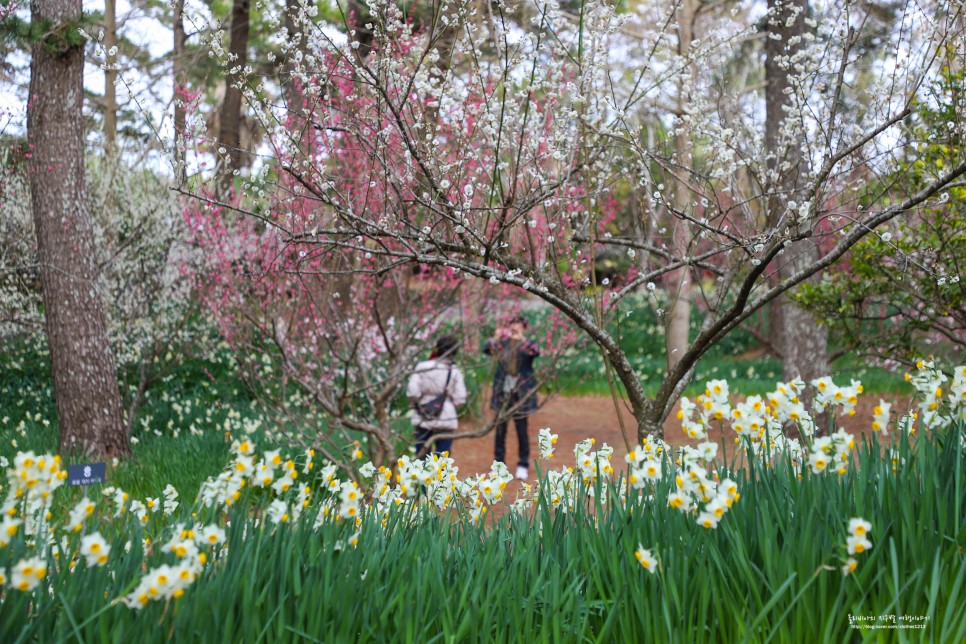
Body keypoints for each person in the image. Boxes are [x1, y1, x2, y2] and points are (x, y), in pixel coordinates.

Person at [484, 314, 540, 480]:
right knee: (500, 430)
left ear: (524, 327)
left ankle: (523, 464)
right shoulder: (502, 344)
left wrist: (521, 339)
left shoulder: (527, 344)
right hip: (503, 391)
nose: (514, 327)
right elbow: (487, 349)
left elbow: (536, 351)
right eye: (512, 324)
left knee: (521, 429)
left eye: (518, 324)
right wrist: (495, 337)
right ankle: (499, 464)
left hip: (520, 393)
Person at [407, 335, 467, 458]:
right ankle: (441, 477)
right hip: (446, 418)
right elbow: (460, 397)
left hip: (423, 416)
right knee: (443, 459)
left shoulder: (422, 367)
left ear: (437, 349)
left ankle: (423, 478)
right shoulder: (454, 371)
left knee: (422, 457)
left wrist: (418, 402)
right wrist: (449, 405)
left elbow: (412, 391)